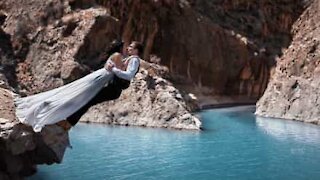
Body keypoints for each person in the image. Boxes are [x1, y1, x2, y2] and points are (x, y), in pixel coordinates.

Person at [15, 40, 143, 132]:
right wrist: (114, 69)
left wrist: (114, 69)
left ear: (137, 50)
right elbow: (116, 70)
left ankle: (67, 121)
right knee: (85, 99)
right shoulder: (122, 57)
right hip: (106, 83)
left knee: (86, 100)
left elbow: (128, 75)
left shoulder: (133, 60)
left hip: (110, 86)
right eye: (127, 47)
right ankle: (67, 121)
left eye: (131, 47)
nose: (128, 48)